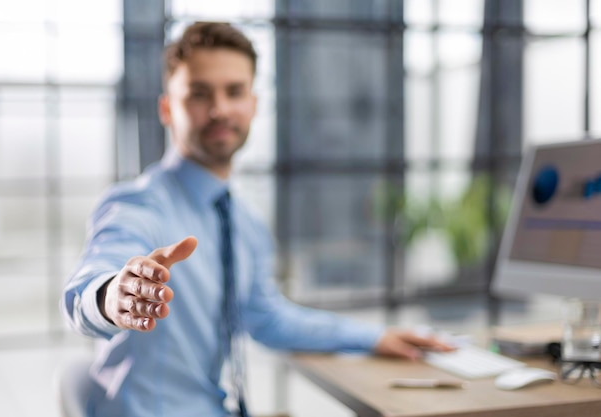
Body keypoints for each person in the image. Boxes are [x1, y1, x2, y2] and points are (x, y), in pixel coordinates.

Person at [61, 21, 452, 417]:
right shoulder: (138, 205)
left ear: (254, 103)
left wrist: (374, 336)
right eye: (199, 94)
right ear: (167, 108)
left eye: (234, 91)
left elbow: (267, 317)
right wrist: (113, 294)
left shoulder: (243, 223)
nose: (220, 109)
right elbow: (88, 286)